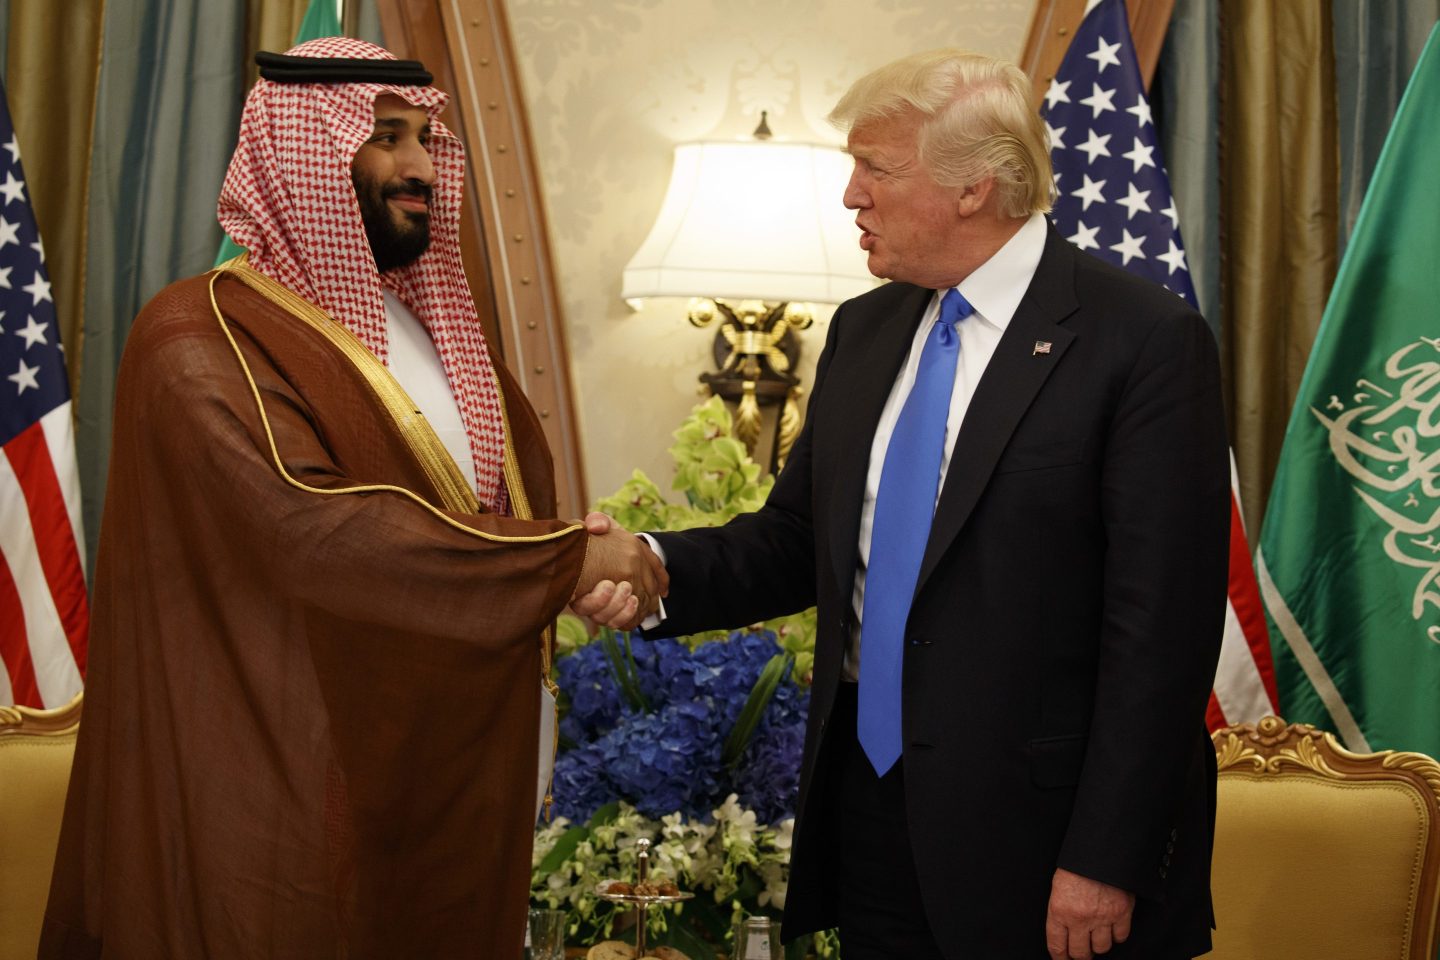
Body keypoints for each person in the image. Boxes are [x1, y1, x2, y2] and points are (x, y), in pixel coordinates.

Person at [582, 49, 1228, 960]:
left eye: (874, 168)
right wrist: (649, 567)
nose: (850, 196)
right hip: (873, 818)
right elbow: (798, 539)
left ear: (974, 188)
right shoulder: (867, 328)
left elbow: (1160, 635)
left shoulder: (1144, 344)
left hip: (1048, 849)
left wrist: (1106, 858)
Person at [40, 38, 661, 960]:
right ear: (304, 158)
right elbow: (315, 530)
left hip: (443, 793)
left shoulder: (437, 334)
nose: (419, 166)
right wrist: (571, 559)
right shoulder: (197, 336)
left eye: (425, 138)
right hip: (280, 793)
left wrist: (576, 568)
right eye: (384, 137)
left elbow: (498, 511)